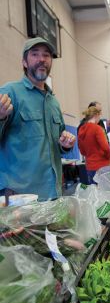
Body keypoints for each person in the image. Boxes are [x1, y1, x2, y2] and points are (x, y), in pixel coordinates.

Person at [0, 37, 76, 201]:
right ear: (24, 62)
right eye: (35, 54)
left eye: (46, 55)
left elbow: (57, 142)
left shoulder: (53, 102)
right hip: (20, 198)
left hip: (53, 194)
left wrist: (65, 145)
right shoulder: (10, 93)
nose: (42, 59)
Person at [78, 106, 110, 184]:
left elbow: (82, 151)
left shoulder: (81, 129)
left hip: (90, 166)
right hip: (102, 166)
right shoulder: (97, 129)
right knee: (104, 192)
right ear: (96, 115)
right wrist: (109, 158)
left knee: (94, 192)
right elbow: (105, 147)